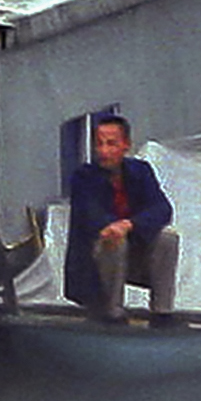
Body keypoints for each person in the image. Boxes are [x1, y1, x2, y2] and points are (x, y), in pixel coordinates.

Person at [64, 112, 181, 325]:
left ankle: (162, 313)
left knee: (167, 238)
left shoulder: (140, 171)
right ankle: (112, 312)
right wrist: (116, 228)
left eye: (111, 144)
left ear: (125, 145)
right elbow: (93, 216)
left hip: (132, 254)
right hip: (94, 263)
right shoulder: (84, 177)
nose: (104, 151)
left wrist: (130, 224)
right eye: (99, 144)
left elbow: (162, 209)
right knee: (113, 239)